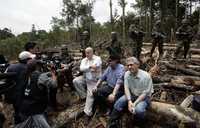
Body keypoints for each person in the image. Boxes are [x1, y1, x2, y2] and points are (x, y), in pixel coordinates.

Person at [107, 57, 153, 128]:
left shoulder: (146, 76)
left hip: (144, 97)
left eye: (131, 65)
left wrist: (134, 103)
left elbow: (145, 93)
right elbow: (126, 88)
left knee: (139, 110)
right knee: (119, 102)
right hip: (132, 94)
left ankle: (141, 124)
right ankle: (111, 122)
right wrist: (129, 101)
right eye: (128, 65)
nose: (129, 67)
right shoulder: (127, 74)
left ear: (137, 65)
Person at [16, 59, 55, 127]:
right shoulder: (41, 76)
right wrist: (53, 74)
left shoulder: (25, 75)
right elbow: (54, 84)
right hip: (36, 110)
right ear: (37, 67)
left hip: (24, 108)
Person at [73, 47, 102, 119]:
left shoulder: (97, 58)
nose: (87, 54)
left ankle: (88, 113)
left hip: (95, 80)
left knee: (91, 93)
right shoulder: (84, 60)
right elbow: (81, 68)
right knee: (76, 81)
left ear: (92, 52)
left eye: (89, 52)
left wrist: (87, 68)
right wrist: (89, 67)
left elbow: (95, 66)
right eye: (86, 52)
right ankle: (84, 97)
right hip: (86, 78)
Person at [6, 51, 34, 124]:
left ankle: (17, 123)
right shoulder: (27, 68)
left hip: (12, 95)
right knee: (24, 114)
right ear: (26, 60)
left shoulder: (11, 66)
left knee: (17, 111)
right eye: (30, 59)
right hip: (22, 96)